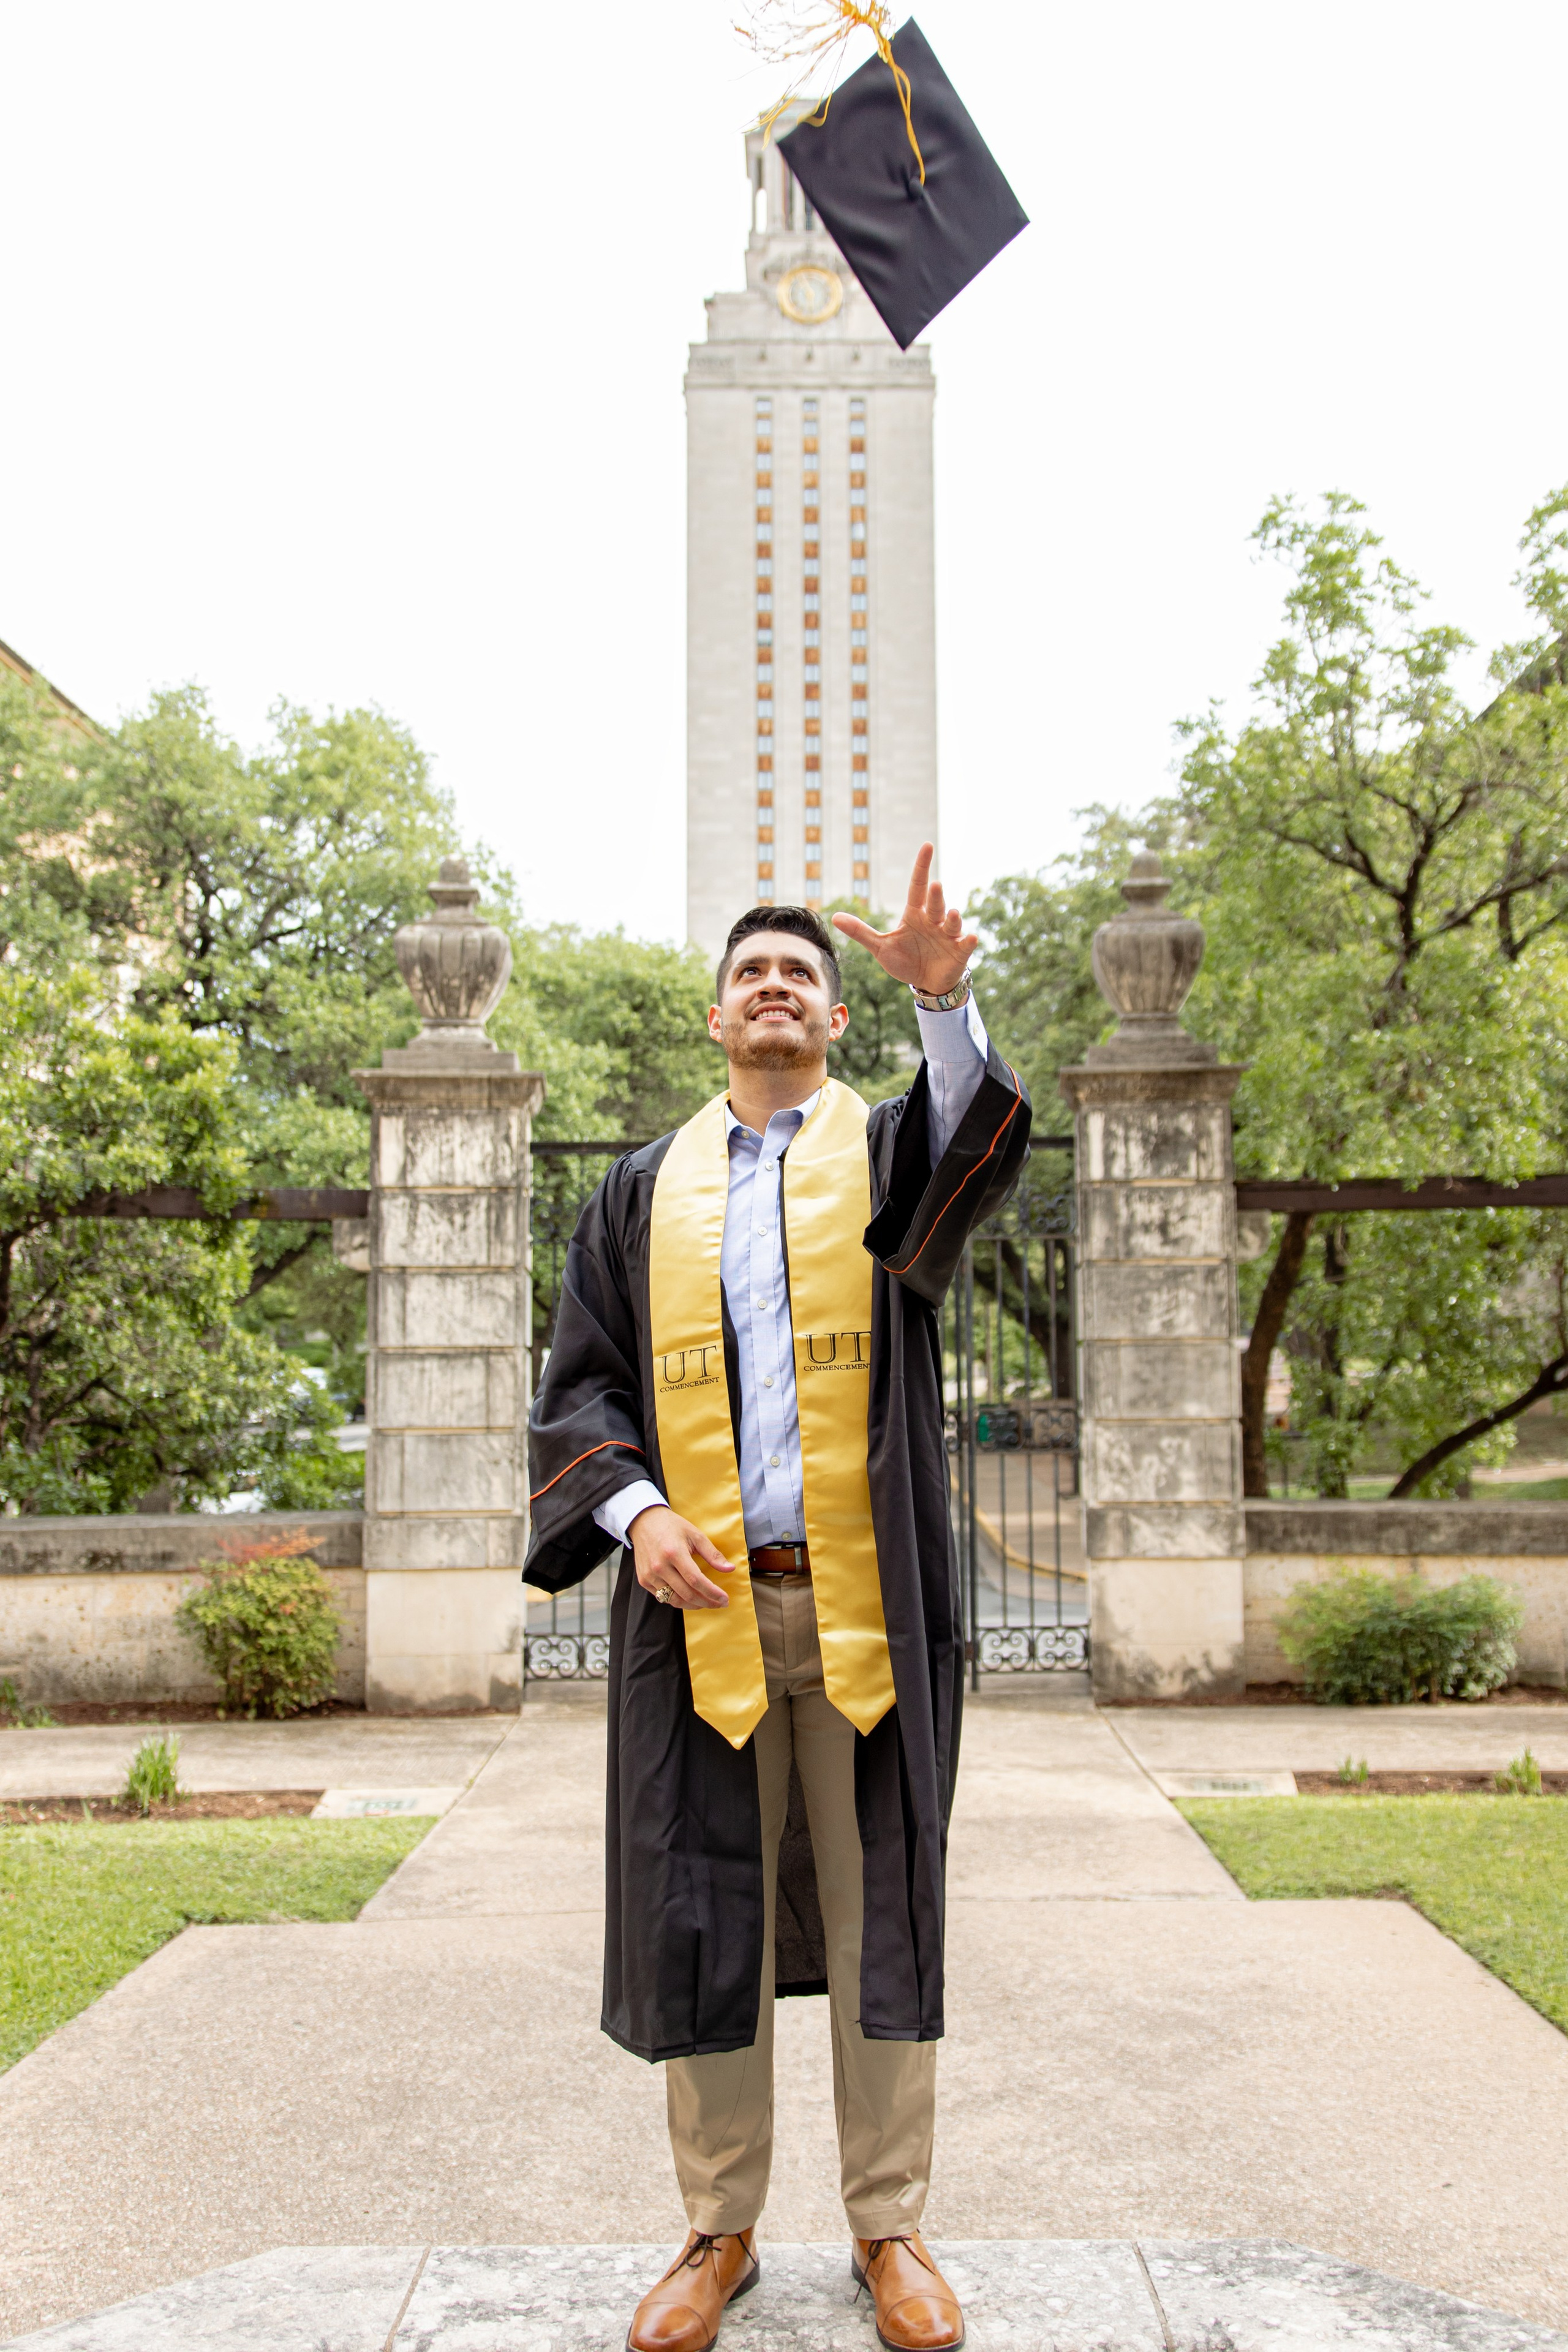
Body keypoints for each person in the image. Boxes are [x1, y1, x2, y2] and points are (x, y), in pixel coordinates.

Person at [526, 847, 1030, 2352]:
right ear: (713, 1015)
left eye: (800, 976)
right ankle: (717, 2226)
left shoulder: (880, 1156)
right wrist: (634, 1512)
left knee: (881, 1907)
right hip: (699, 1619)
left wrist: (945, 1001)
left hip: (866, 1606)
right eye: (752, 972)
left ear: (831, 1016)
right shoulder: (637, 1193)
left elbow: (971, 1161)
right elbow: (581, 1389)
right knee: (705, 1913)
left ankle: (890, 2229)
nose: (773, 989)